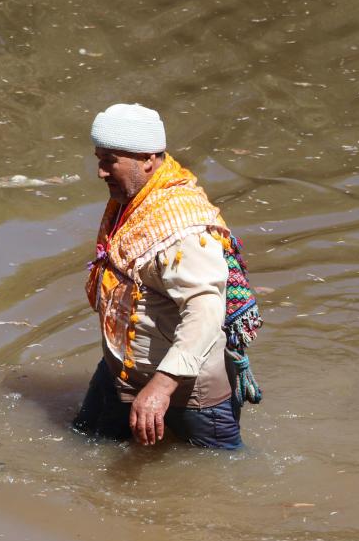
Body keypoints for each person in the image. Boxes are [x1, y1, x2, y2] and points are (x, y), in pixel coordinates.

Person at [73, 103, 260, 449]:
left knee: (220, 479)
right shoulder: (135, 202)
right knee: (83, 446)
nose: (100, 171)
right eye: (99, 158)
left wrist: (160, 387)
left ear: (147, 159)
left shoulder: (181, 228)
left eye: (110, 160)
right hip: (123, 372)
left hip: (188, 390)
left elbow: (205, 311)